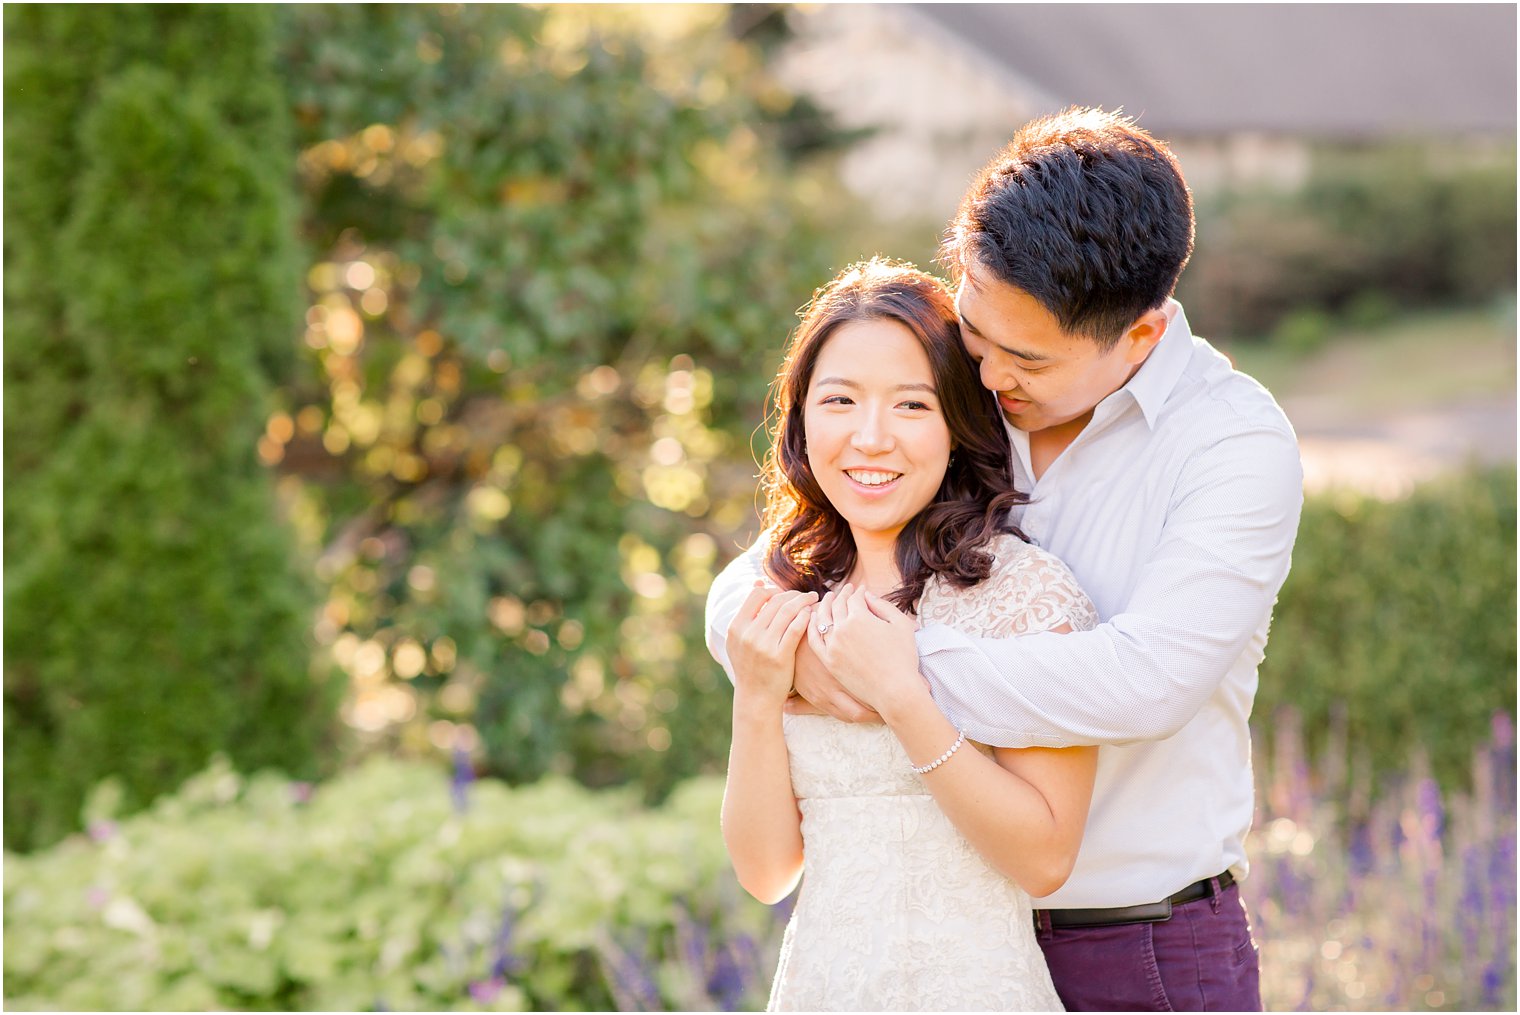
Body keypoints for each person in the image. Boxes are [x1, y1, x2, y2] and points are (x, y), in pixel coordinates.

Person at [707, 108, 1304, 1012]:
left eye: (1023, 356)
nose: (986, 374)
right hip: (923, 942)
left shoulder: (1231, 446)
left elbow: (1146, 681)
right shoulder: (968, 396)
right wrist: (772, 654)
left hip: (1135, 941)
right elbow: (776, 566)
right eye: (978, 333)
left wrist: (885, 673)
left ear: (1139, 336)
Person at [721, 257, 1102, 1011]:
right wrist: (757, 697)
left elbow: (1045, 857)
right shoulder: (787, 600)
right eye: (839, 400)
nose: (870, 438)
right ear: (801, 420)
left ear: (958, 424)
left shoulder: (1026, 595)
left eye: (911, 406)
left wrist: (903, 693)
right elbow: (767, 872)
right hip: (824, 986)